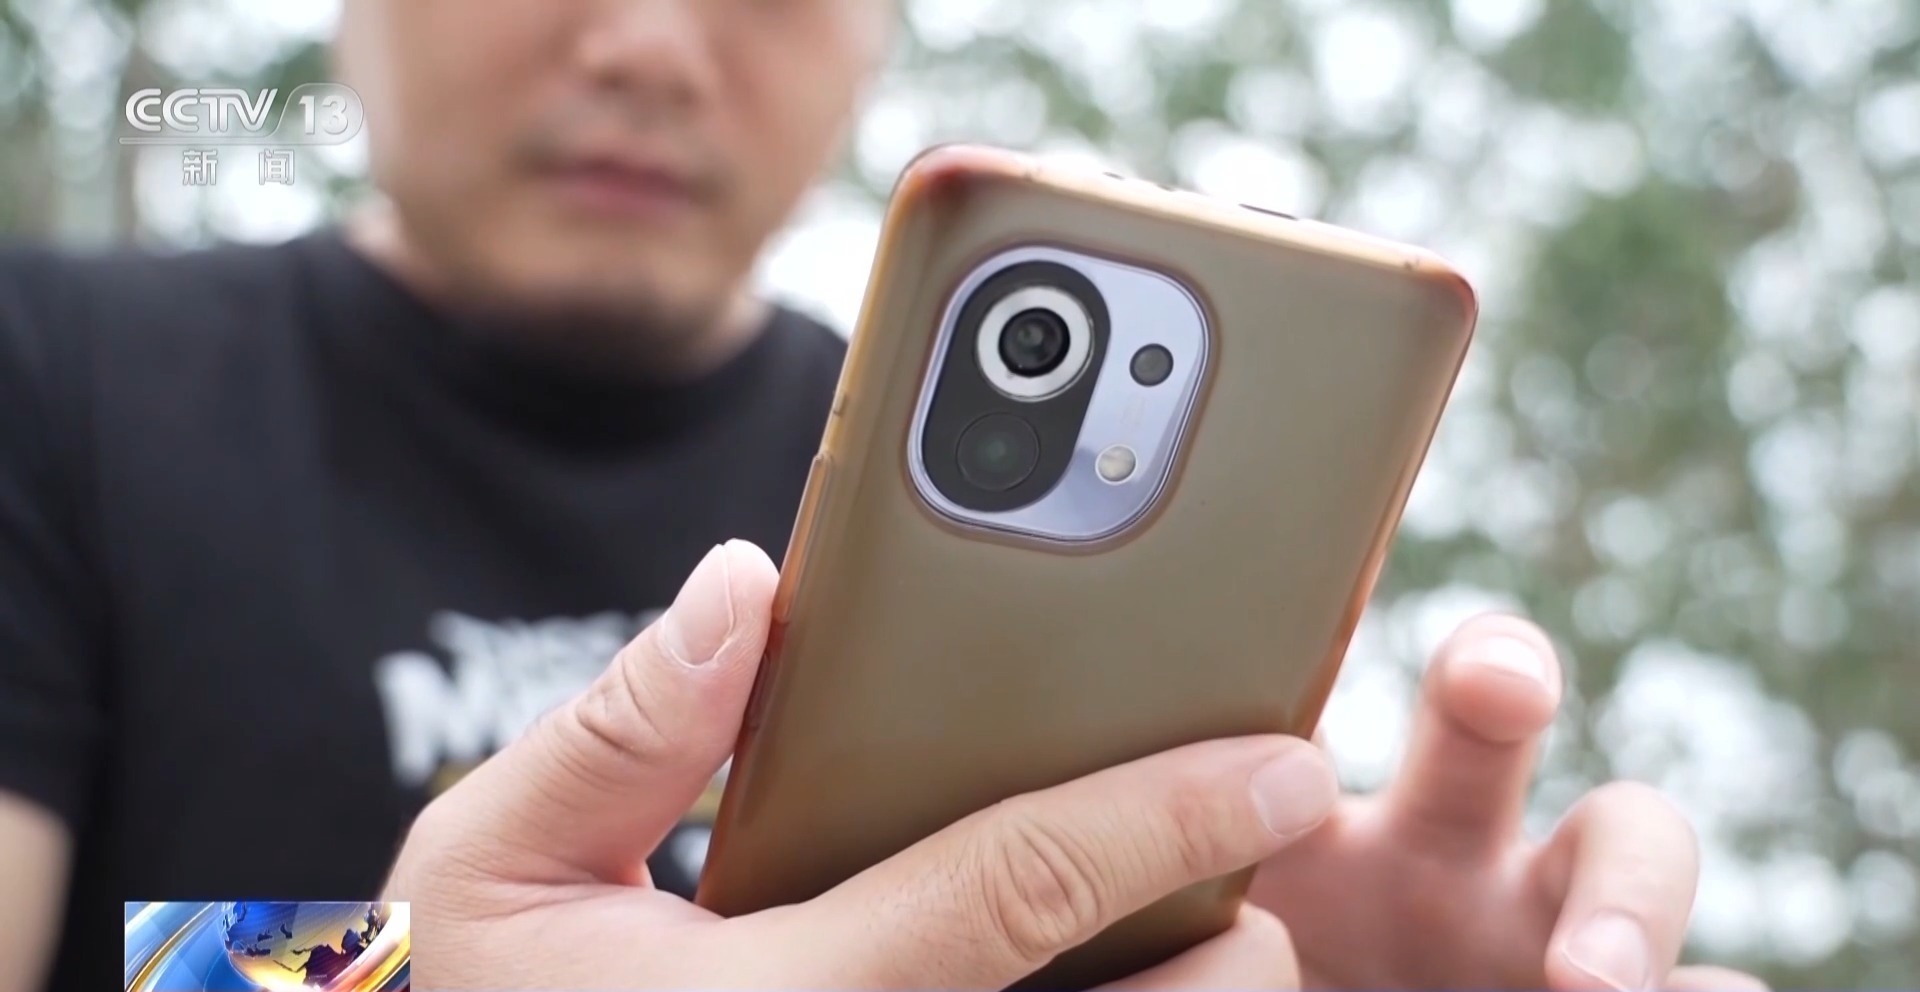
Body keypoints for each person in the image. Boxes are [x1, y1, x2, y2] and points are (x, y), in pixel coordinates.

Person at [0, 1, 1767, 990]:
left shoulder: (928, 460)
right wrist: (380, 979)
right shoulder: (55, 371)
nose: (651, 44)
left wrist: (1270, 951)